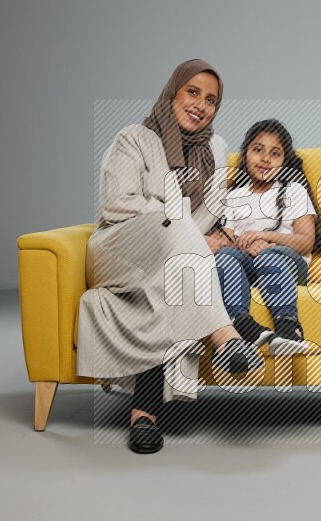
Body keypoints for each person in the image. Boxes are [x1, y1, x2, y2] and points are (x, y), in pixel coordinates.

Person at [76, 59, 262, 455]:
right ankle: (222, 334)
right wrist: (184, 231)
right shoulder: (134, 138)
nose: (201, 105)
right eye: (192, 92)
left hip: (173, 258)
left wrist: (194, 235)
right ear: (173, 91)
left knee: (169, 283)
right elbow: (118, 204)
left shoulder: (216, 148)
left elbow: (208, 211)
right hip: (119, 248)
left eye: (211, 99)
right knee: (177, 229)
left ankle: (144, 416)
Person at [214, 119, 321, 356]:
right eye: (258, 150)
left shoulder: (294, 191)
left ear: (284, 162)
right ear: (245, 155)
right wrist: (248, 244)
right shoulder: (234, 197)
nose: (265, 158)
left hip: (285, 264)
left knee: (268, 255)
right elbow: (227, 239)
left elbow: (306, 241)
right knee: (224, 256)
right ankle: (240, 321)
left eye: (275, 154)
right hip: (247, 264)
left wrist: (264, 238)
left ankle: (289, 327)